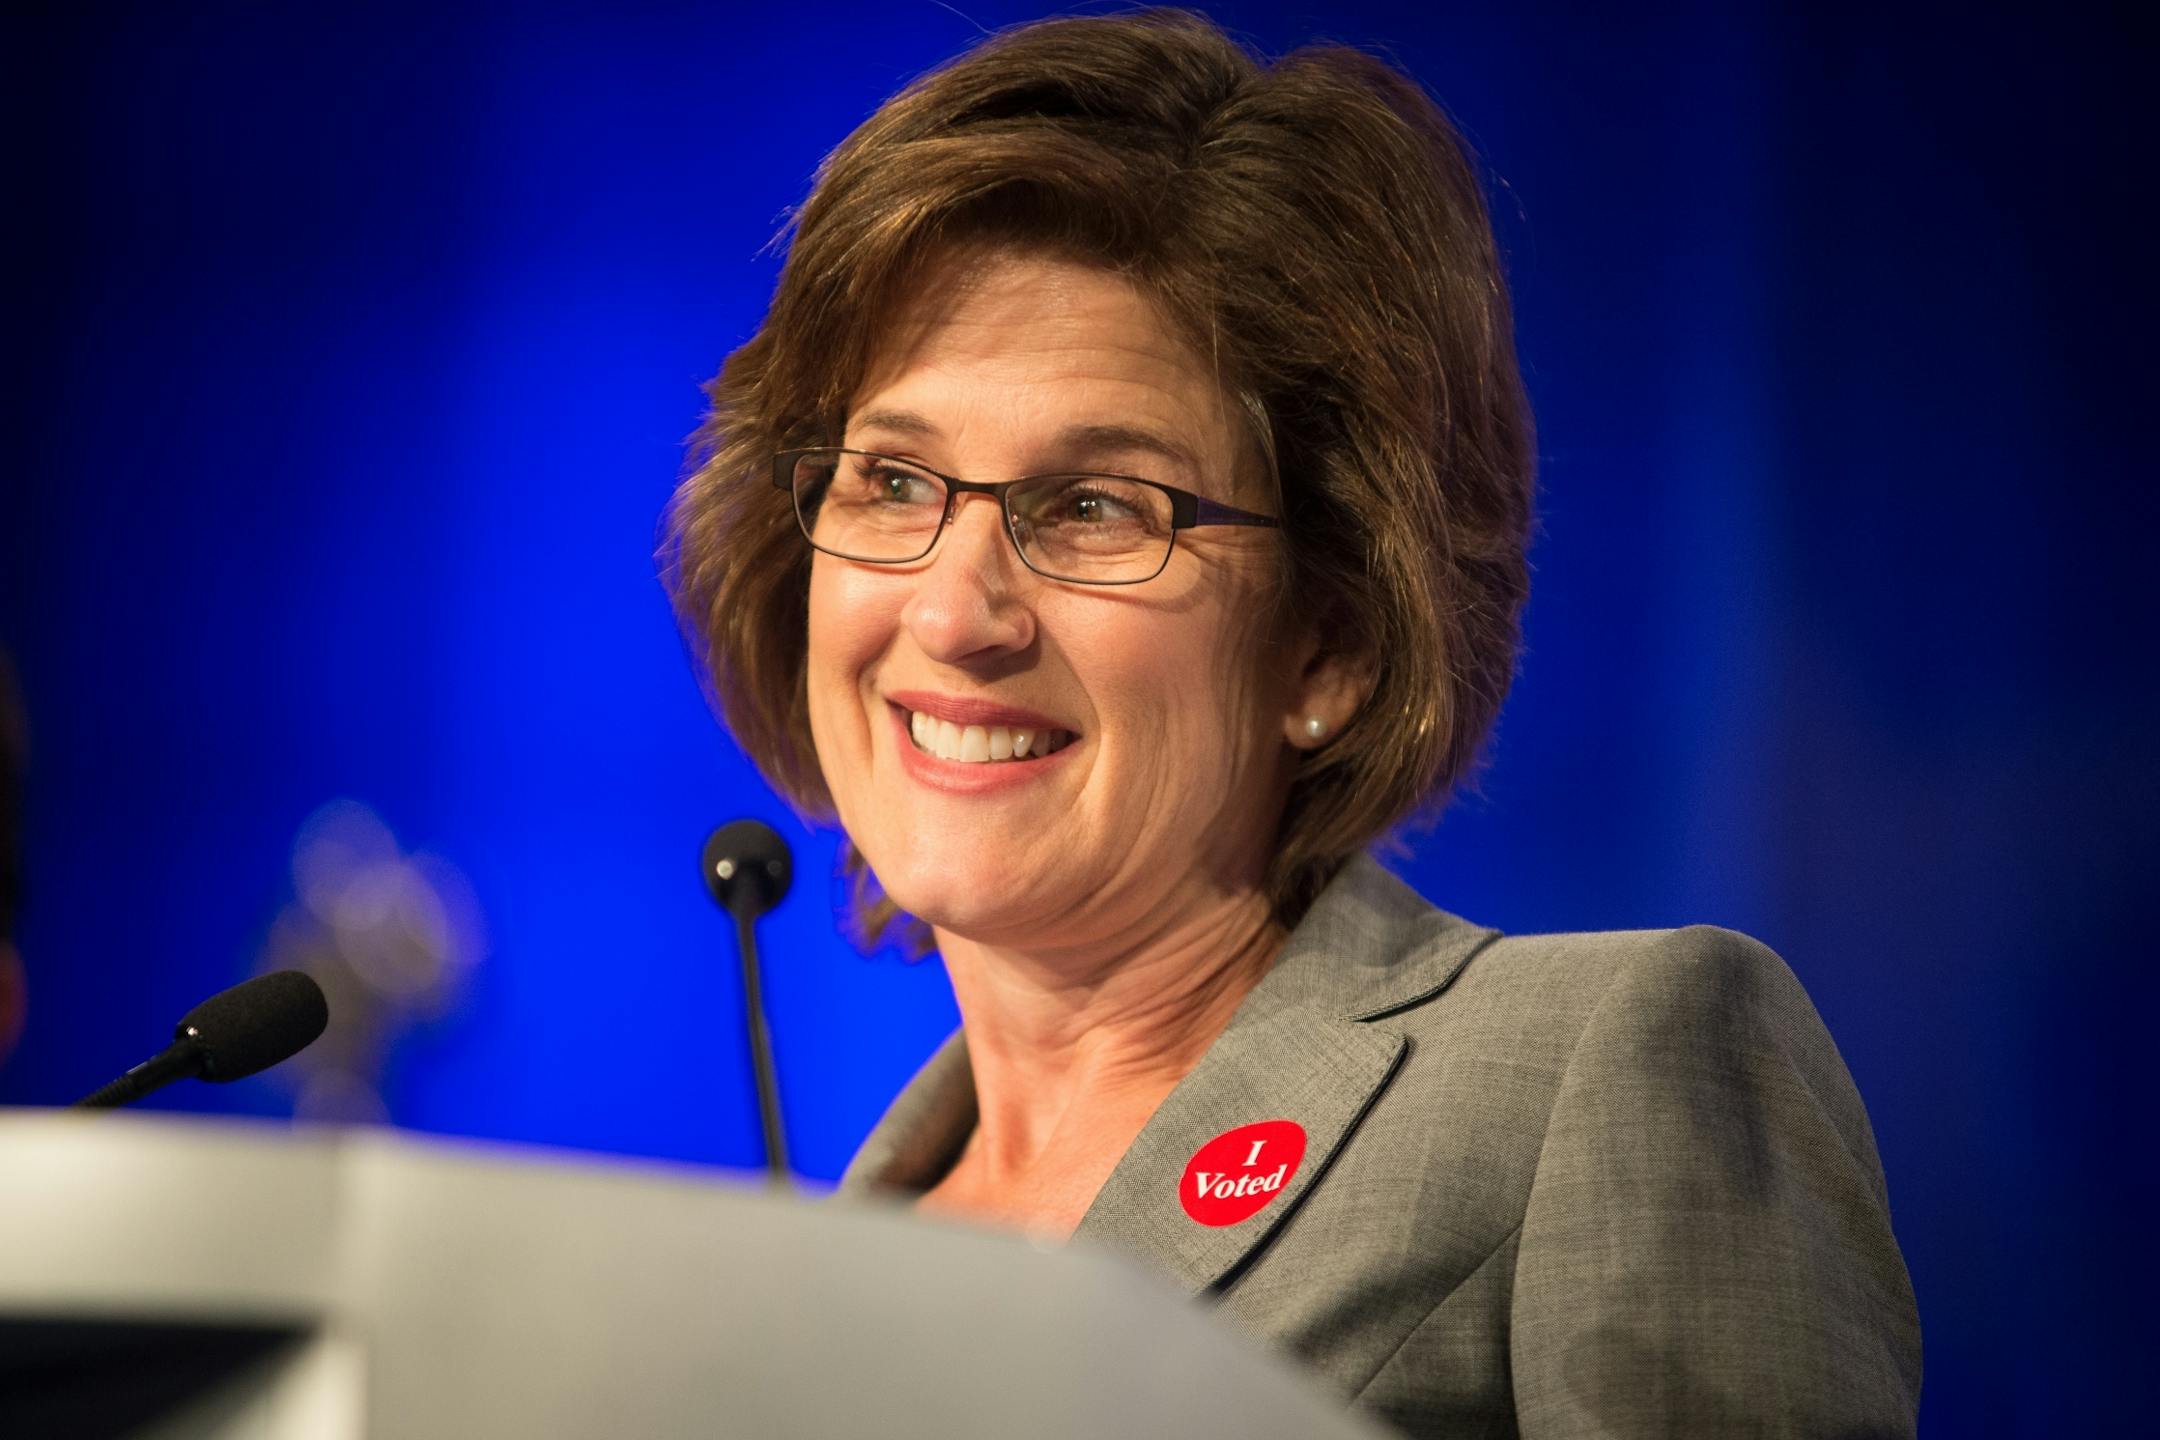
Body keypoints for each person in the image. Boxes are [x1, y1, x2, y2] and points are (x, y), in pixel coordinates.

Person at [663, 9, 1920, 1435]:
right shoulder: (824, 1258)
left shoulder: (1597, 1073)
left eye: (1095, 508)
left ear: (1329, 642)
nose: (956, 615)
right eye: (892, 480)